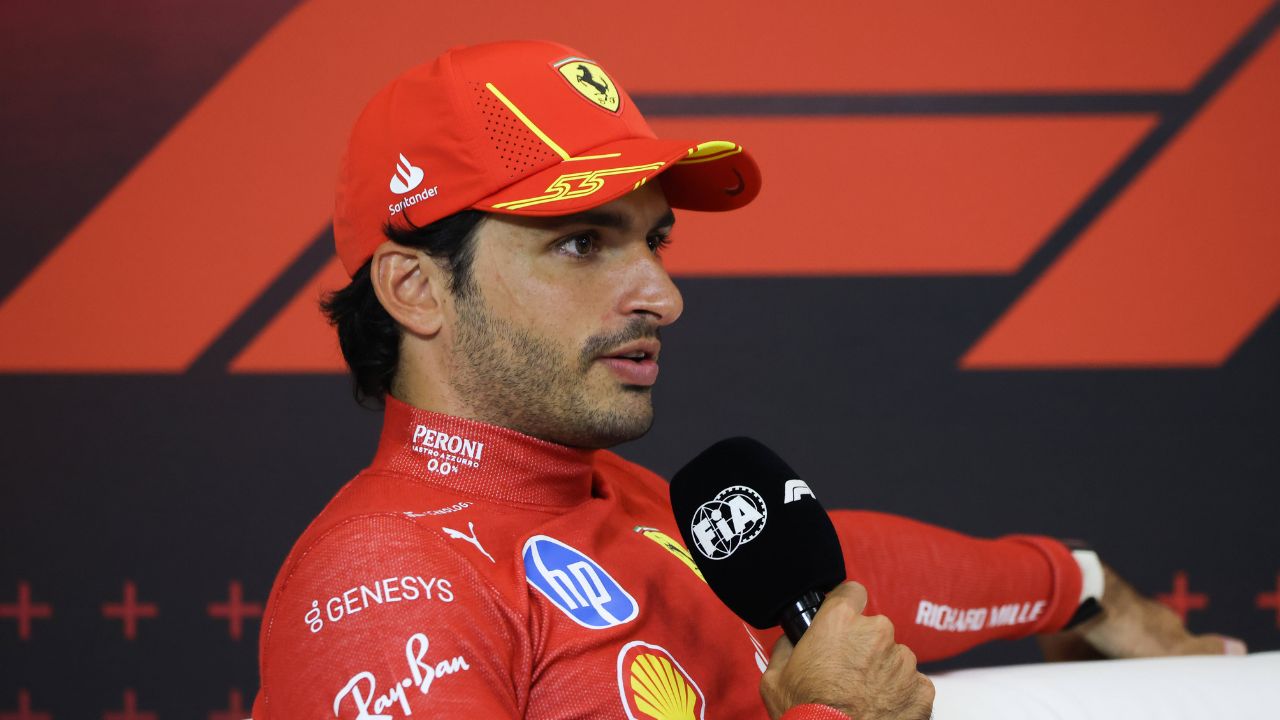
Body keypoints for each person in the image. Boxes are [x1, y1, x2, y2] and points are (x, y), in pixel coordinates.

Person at [253, 40, 1242, 719]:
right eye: (582, 243)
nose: (661, 296)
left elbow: (855, 573)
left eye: (654, 242)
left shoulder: (628, 504)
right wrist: (827, 713)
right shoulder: (380, 589)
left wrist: (1082, 588)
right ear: (416, 289)